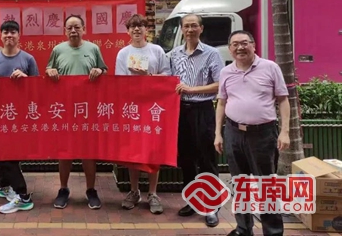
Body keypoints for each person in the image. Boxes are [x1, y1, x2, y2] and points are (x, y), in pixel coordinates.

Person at [215, 30, 290, 236]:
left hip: (263, 135)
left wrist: (285, 131)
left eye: (244, 43)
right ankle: (243, 229)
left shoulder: (270, 67)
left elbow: (283, 100)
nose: (240, 47)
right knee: (240, 184)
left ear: (253, 45)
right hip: (233, 133)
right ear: (230, 49)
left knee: (266, 185)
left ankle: (273, 231)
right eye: (235, 44)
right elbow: (221, 103)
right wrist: (218, 133)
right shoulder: (226, 72)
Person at [45, 14, 108, 210]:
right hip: (65, 110)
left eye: (77, 27)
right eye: (70, 28)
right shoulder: (58, 50)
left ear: (84, 29)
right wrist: (50, 71)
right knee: (65, 152)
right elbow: (48, 70)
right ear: (65, 31)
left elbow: (105, 71)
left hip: (88, 110)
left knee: (88, 152)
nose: (73, 31)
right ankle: (63, 189)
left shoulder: (93, 49)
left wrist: (100, 71)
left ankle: (91, 190)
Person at [170, 14, 223, 227]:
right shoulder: (174, 54)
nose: (190, 29)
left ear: (201, 29)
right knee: (186, 159)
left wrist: (192, 89)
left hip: (203, 110)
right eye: (186, 26)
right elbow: (168, 81)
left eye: (194, 26)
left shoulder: (212, 53)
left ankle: (211, 207)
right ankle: (192, 201)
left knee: (207, 159)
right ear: (182, 29)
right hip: (180, 112)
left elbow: (220, 84)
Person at [115, 14, 171, 214]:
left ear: (146, 30)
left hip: (154, 107)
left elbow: (167, 74)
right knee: (133, 151)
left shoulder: (157, 50)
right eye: (133, 27)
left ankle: (153, 193)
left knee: (153, 150)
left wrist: (148, 76)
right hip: (133, 108)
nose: (137, 29)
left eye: (140, 26)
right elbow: (119, 81)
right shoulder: (123, 53)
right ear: (128, 31)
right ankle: (134, 191)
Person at [0, 20, 39, 214]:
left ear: (19, 35)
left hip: (20, 116)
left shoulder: (28, 59)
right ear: (1, 36)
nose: (9, 35)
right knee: (5, 154)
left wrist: (26, 80)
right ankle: (9, 188)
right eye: (5, 32)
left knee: (11, 155)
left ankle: (22, 196)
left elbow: (38, 89)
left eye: (13, 32)